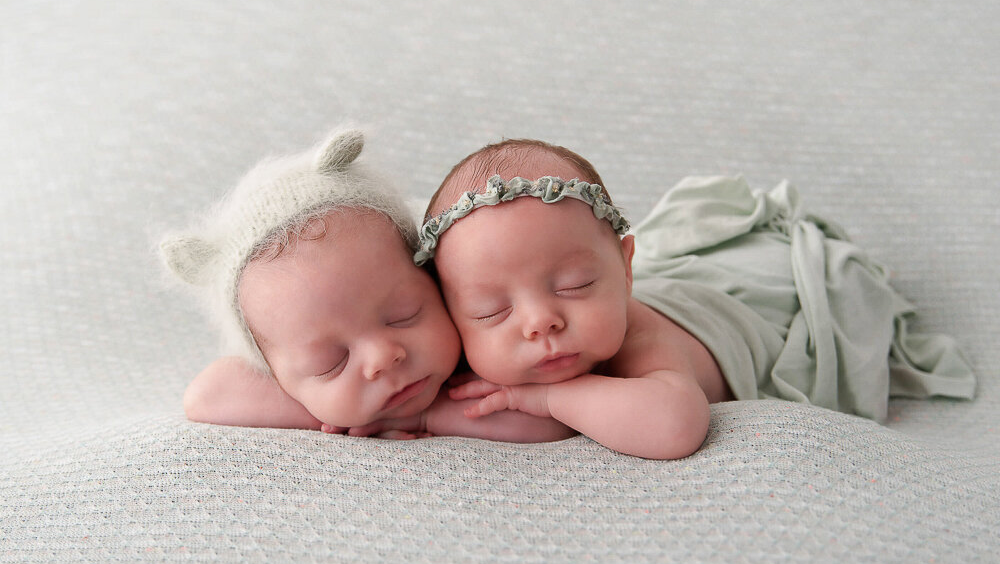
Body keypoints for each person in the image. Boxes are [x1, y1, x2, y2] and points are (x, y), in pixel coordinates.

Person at [415, 139, 976, 459]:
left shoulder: (643, 342)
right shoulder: (496, 345)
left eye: (576, 285)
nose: (541, 321)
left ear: (626, 269)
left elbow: (673, 427)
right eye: (491, 311)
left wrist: (541, 398)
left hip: (759, 310)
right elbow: (528, 419)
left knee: (804, 282)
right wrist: (416, 411)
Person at [160, 128, 575, 444]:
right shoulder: (282, 351)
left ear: (433, 280)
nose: (383, 357)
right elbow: (208, 395)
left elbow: (555, 420)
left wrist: (423, 416)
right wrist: (335, 409)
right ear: (276, 374)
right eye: (331, 362)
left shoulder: (489, 329)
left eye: (403, 317)